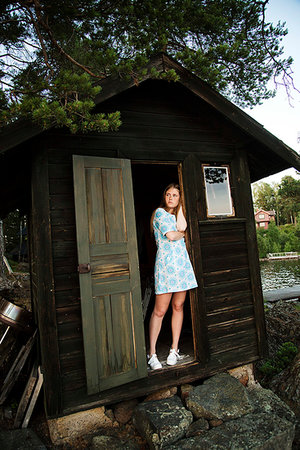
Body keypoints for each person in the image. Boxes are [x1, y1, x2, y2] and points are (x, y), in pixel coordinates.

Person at [148, 183, 198, 370]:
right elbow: (171, 235)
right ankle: (152, 353)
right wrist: (181, 233)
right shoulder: (160, 213)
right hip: (166, 267)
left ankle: (174, 349)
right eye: (168, 194)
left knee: (178, 306)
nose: (170, 198)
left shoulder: (177, 215)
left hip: (181, 267)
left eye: (175, 195)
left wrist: (181, 208)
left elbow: (182, 226)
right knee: (160, 310)